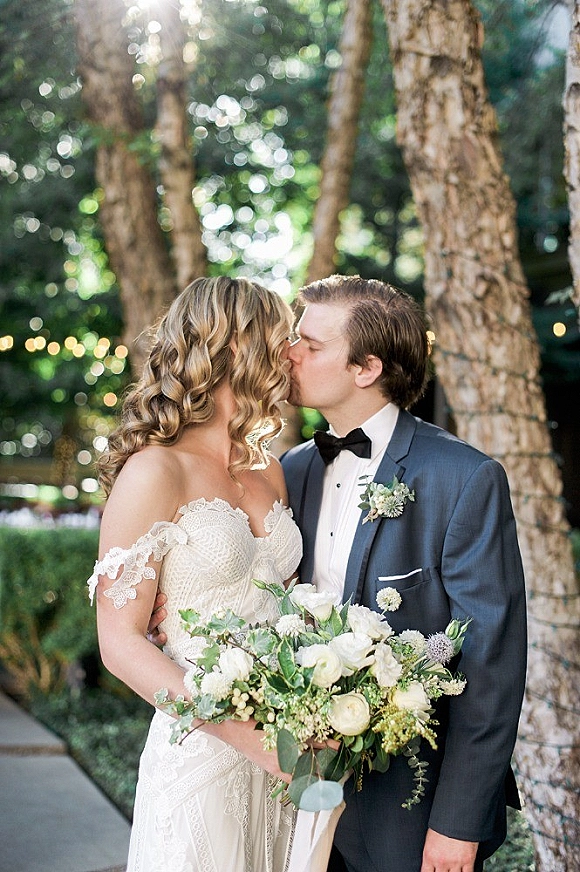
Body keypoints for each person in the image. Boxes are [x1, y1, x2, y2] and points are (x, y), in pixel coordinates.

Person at [279, 274, 527, 872]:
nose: (290, 353)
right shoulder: (291, 469)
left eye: (311, 345)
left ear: (367, 368)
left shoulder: (464, 478)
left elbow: (490, 664)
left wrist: (457, 823)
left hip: (409, 807)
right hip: (296, 794)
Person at [87, 276, 303, 872]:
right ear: (234, 345)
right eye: (282, 338)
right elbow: (119, 643)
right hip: (203, 751)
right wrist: (247, 737)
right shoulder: (156, 470)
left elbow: (285, 611)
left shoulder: (270, 471)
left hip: (286, 761)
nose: (292, 354)